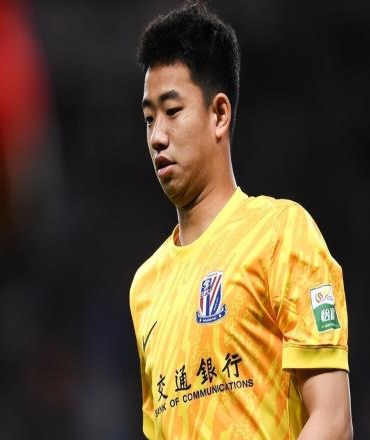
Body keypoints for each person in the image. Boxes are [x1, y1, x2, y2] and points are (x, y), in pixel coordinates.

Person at [129, 2, 353, 439]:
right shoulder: (145, 287)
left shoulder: (281, 235)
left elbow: (333, 420)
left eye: (172, 112)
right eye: (149, 118)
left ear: (219, 114)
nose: (157, 136)